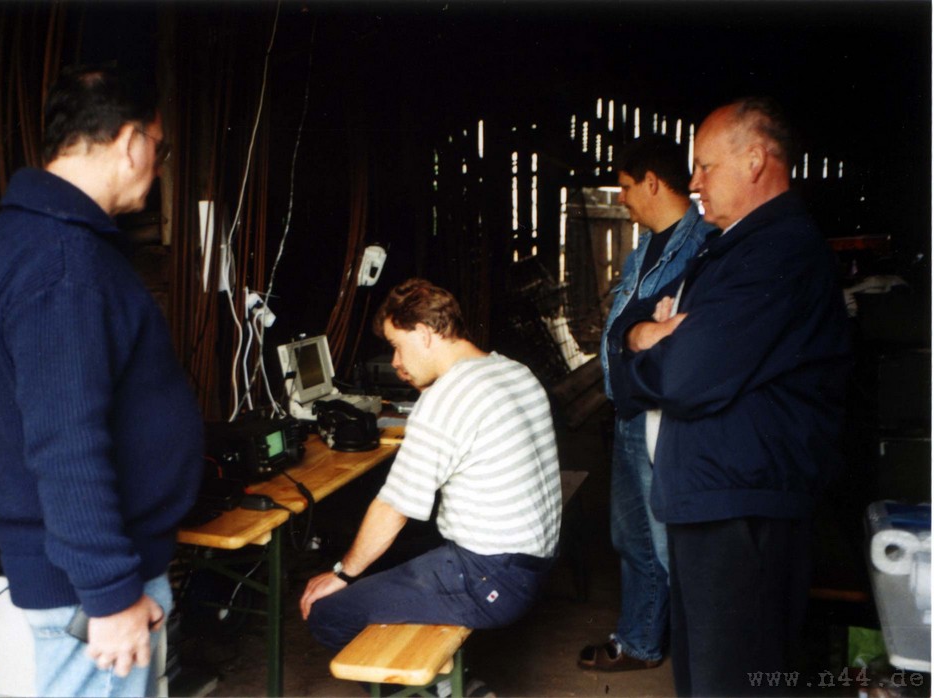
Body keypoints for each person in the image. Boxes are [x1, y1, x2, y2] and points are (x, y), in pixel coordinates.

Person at [0, 65, 203, 697]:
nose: (158, 166)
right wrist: (110, 594)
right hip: (89, 588)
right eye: (159, 148)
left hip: (88, 574)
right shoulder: (63, 262)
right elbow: (65, 443)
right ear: (130, 142)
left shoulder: (42, 238)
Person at [608, 97, 851, 696]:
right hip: (716, 499)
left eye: (704, 167)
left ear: (755, 160)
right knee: (705, 678)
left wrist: (641, 360)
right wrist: (640, 336)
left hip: (742, 510)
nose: (693, 183)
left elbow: (682, 377)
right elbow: (632, 327)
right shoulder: (730, 247)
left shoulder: (777, 251)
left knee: (732, 682)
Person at [300, 278, 562, 657]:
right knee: (385, 557)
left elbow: (394, 507)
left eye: (396, 346)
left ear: (424, 334)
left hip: (491, 578)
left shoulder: (448, 397)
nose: (395, 362)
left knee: (328, 612)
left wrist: (342, 573)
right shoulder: (512, 370)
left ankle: (434, 686)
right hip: (534, 564)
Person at [578, 136, 714, 673]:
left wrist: (639, 332)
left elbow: (679, 333)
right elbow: (638, 325)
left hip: (662, 413)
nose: (623, 198)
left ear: (652, 183)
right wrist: (636, 330)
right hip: (630, 409)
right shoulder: (646, 248)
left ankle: (695, 654)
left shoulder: (702, 245)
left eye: (627, 186)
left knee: (663, 540)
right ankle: (642, 637)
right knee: (632, 533)